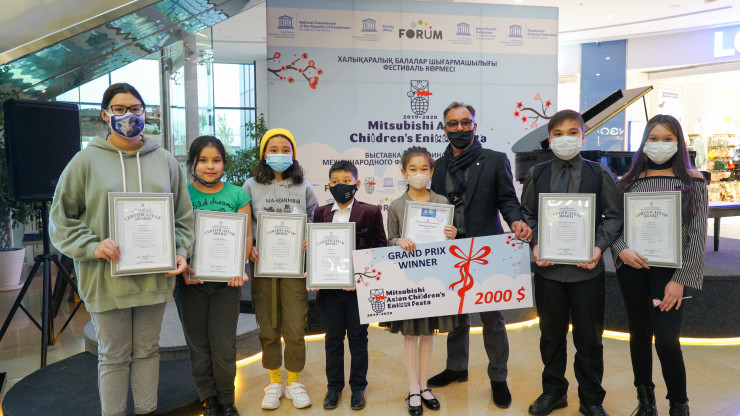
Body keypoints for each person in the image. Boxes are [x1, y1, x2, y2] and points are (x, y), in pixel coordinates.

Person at [49, 82, 194, 416]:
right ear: (105, 114)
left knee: (147, 351)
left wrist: (180, 250)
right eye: (119, 109)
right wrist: (92, 245)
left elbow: (183, 216)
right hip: (106, 279)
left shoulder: (165, 161)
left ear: (145, 113)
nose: (129, 115)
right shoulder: (85, 162)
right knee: (113, 356)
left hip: (154, 277)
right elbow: (60, 219)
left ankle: (147, 410)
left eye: (135, 109)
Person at [427, 101, 532, 409]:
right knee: (456, 315)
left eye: (465, 122)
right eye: (453, 123)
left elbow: (507, 199)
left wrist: (515, 220)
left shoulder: (495, 159)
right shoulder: (439, 166)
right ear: (444, 128)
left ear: (474, 125)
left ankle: (498, 378)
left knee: (492, 319)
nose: (459, 128)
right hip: (452, 251)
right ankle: (456, 367)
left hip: (487, 250)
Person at [520, 109, 622, 416]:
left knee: (589, 340)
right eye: (558, 134)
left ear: (583, 136)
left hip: (587, 272)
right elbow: (528, 214)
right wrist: (536, 243)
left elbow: (614, 217)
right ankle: (553, 392)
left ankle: (591, 398)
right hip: (548, 272)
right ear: (550, 139)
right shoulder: (536, 174)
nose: (565, 138)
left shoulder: (599, 173)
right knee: (550, 337)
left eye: (572, 133)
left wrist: (598, 247)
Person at [611, 114, 707, 416]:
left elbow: (697, 234)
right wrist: (621, 250)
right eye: (653, 139)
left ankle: (679, 403)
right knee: (639, 334)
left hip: (671, 273)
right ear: (644, 142)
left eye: (668, 139)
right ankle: (646, 401)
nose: (660, 144)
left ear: (679, 143)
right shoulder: (625, 182)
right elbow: (612, 226)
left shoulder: (693, 181)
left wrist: (680, 279)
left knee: (666, 341)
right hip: (632, 268)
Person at [175, 135, 253, 416]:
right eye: (204, 160)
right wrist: (182, 266)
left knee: (223, 346)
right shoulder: (183, 196)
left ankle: (228, 401)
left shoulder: (237, 195)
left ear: (224, 163)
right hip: (191, 282)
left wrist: (239, 266)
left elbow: (247, 237)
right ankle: (208, 399)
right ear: (192, 164)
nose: (210, 166)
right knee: (198, 346)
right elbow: (176, 235)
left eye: (216, 160)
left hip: (226, 286)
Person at [242, 128, 318, 410]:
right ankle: (274, 381)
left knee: (296, 326)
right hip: (263, 266)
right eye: (273, 149)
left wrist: (311, 236)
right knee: (268, 326)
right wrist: (248, 245)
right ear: (264, 154)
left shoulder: (303, 186)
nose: (279, 154)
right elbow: (244, 222)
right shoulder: (250, 186)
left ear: (293, 154)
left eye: (285, 150)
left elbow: (315, 218)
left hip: (294, 267)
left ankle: (294, 381)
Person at [384, 147, 460, 416]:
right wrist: (398, 241)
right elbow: (389, 240)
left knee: (428, 333)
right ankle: (412, 387)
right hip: (408, 282)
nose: (419, 174)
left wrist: (452, 234)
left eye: (424, 169)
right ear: (404, 172)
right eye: (413, 169)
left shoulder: (442, 202)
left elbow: (448, 247)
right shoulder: (396, 205)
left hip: (434, 281)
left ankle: (424, 385)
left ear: (432, 171)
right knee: (410, 334)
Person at [312, 160, 387, 411]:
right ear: (329, 185)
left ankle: (358, 387)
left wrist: (360, 277)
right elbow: (317, 249)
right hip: (330, 291)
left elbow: (379, 249)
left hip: (358, 290)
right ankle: (334, 387)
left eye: (346, 181)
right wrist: (314, 273)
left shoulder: (370, 212)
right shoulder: (321, 213)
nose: (340, 185)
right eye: (335, 182)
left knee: (358, 338)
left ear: (357, 184)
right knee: (332, 338)